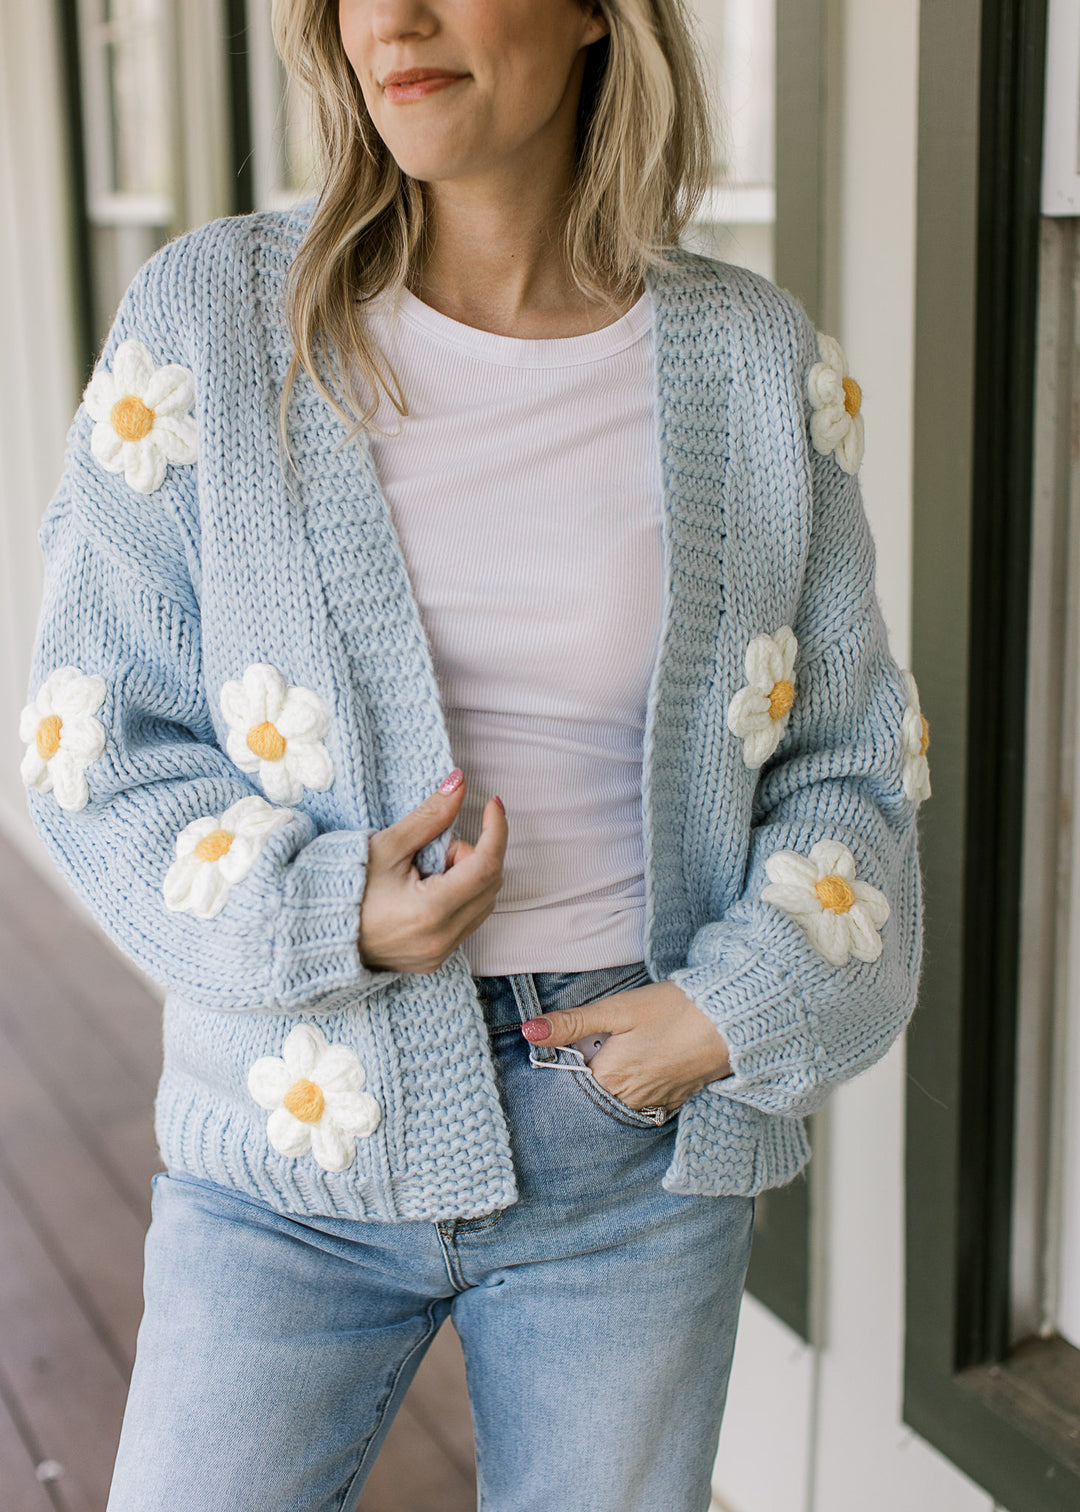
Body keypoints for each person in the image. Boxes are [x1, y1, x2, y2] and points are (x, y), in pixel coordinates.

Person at [19, 1, 928, 1508]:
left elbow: (848, 764)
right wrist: (322, 910)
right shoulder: (214, 325)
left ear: (592, 14)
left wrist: (728, 1014)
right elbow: (91, 734)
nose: (397, 18)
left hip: (629, 1134)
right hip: (286, 1126)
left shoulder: (751, 361)